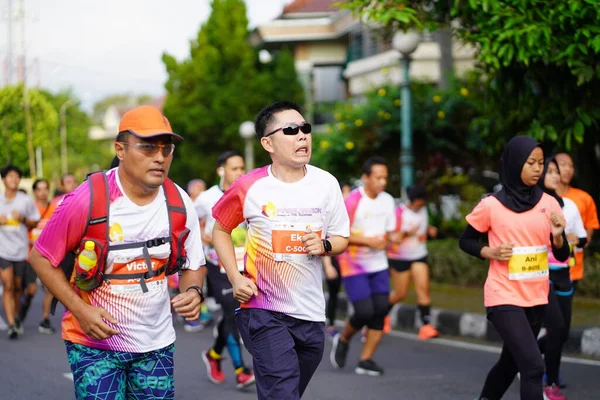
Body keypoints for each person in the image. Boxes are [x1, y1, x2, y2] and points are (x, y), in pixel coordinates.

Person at [29, 105, 206, 400]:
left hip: (156, 343)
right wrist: (81, 311)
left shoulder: (178, 200)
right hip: (94, 343)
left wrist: (194, 291)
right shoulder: (88, 199)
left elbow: (194, 264)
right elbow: (41, 257)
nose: (160, 157)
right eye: (148, 147)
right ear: (120, 149)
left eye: (167, 148)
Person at [212, 101, 350, 399]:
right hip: (263, 310)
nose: (302, 136)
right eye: (291, 130)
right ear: (268, 143)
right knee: (283, 391)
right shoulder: (249, 186)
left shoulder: (326, 184)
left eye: (305, 129)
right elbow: (220, 229)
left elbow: (341, 237)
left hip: (311, 312)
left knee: (286, 393)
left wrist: (324, 245)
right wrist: (235, 278)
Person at [459, 136, 569, 400]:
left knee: (509, 364)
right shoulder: (491, 205)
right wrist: (489, 251)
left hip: (537, 295)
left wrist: (557, 236)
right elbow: (466, 241)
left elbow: (563, 254)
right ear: (514, 162)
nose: (537, 169)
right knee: (533, 366)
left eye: (541, 163)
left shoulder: (549, 203)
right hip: (503, 295)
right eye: (530, 162)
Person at [194, 150, 255, 389]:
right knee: (231, 311)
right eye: (234, 168)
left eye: (242, 168)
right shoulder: (206, 198)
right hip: (216, 266)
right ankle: (241, 370)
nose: (240, 173)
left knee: (235, 315)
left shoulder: (249, 194)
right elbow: (186, 222)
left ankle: (214, 355)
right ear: (221, 170)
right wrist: (203, 235)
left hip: (243, 265)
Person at [331, 156, 397, 376]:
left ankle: (365, 359)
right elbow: (339, 235)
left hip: (378, 265)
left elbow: (388, 232)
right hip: (353, 265)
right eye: (377, 177)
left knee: (379, 312)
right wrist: (368, 241)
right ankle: (344, 338)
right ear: (365, 178)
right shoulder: (352, 201)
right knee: (364, 311)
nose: (382, 182)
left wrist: (391, 239)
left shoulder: (388, 200)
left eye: (384, 177)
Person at [536, 157, 586, 399]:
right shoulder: (532, 206)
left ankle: (525, 356)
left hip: (565, 274)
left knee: (563, 332)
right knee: (555, 329)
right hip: (540, 275)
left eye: (558, 171)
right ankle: (550, 382)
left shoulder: (568, 205)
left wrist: (576, 239)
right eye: (551, 171)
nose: (556, 175)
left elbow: (583, 237)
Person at [387, 184, 439, 340]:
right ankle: (382, 314)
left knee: (423, 290)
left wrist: (430, 229)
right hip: (399, 257)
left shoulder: (423, 210)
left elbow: (421, 225)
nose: (422, 205)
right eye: (420, 202)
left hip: (419, 255)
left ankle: (426, 326)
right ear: (413, 200)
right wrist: (406, 233)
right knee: (400, 293)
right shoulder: (399, 213)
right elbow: (392, 237)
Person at [0, 164, 40, 339]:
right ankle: (11, 324)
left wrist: (22, 219)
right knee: (7, 286)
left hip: (21, 250)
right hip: (3, 250)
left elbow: (35, 222)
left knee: (17, 287)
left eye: (17, 176)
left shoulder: (25, 201)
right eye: (10, 176)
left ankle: (15, 317)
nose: (14, 180)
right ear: (3, 180)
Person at [17, 178, 57, 334]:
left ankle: (45, 319)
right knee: (31, 290)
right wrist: (31, 240)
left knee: (50, 289)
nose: (43, 192)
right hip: (31, 256)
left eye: (45, 188)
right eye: (39, 189)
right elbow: (21, 232)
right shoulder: (29, 209)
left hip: (48, 256)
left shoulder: (54, 208)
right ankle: (21, 312)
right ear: (34, 192)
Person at [554, 152, 598, 289]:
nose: (568, 169)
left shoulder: (584, 198)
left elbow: (591, 225)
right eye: (563, 165)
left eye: (571, 166)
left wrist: (582, 239)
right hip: (544, 266)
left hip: (572, 266)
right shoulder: (542, 197)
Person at [323, 182, 352, 338]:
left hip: (352, 263)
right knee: (333, 293)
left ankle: (359, 327)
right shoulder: (331, 211)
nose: (347, 194)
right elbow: (325, 238)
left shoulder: (354, 211)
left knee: (357, 295)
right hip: (334, 260)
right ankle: (331, 324)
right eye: (344, 191)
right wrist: (328, 266)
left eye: (349, 191)